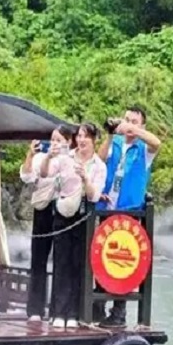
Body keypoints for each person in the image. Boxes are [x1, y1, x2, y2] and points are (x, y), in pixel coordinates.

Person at [96, 105, 162, 327]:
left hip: (129, 212)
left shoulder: (143, 149)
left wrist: (134, 131)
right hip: (107, 208)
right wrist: (111, 133)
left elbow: (157, 143)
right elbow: (99, 159)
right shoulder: (115, 143)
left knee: (122, 262)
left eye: (134, 121)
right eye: (126, 119)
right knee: (100, 256)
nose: (128, 124)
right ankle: (97, 307)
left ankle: (119, 312)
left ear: (142, 125)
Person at [42, 123, 106, 330]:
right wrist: (48, 157)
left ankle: (75, 312)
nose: (81, 140)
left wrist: (85, 178)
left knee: (80, 263)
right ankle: (58, 311)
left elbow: (94, 195)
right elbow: (45, 174)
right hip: (63, 212)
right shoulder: (65, 158)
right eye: (79, 135)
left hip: (84, 215)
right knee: (61, 262)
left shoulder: (99, 166)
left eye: (86, 136)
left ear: (94, 139)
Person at [21, 125, 76, 322]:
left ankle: (57, 310)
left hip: (65, 210)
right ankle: (35, 309)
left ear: (69, 142)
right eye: (53, 139)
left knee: (62, 261)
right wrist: (32, 154)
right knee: (38, 259)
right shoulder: (41, 158)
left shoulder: (73, 159)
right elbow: (27, 176)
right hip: (43, 208)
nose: (55, 143)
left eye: (59, 140)